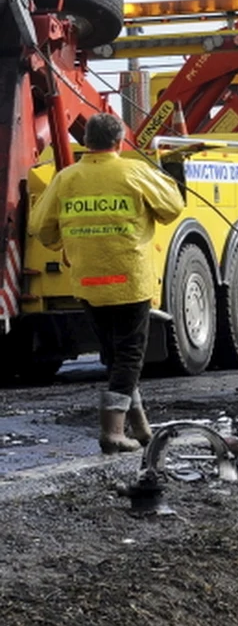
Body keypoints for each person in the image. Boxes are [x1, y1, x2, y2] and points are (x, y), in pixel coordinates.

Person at [28, 113, 184, 454]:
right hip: (129, 280)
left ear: (87, 142)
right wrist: (172, 168)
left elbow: (40, 226)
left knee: (115, 357)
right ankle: (113, 431)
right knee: (129, 357)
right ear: (120, 142)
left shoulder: (66, 178)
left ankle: (140, 428)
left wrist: (63, 246)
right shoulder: (134, 172)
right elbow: (173, 208)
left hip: (88, 282)